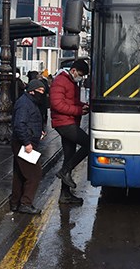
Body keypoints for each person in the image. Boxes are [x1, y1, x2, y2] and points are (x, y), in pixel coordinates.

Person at [50, 59, 90, 205]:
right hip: (64, 123)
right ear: (73, 70)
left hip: (70, 122)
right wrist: (78, 110)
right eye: (80, 74)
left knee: (69, 156)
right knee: (88, 144)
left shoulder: (71, 82)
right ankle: (64, 171)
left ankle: (65, 195)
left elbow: (70, 102)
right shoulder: (61, 81)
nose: (81, 77)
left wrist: (82, 106)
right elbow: (57, 104)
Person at [10, 79, 46, 214]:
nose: (42, 94)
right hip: (24, 143)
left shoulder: (29, 101)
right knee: (34, 174)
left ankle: (15, 202)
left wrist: (39, 131)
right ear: (32, 90)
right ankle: (25, 203)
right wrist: (27, 143)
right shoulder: (25, 104)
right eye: (40, 91)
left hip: (25, 141)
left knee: (20, 174)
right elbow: (19, 124)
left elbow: (30, 121)